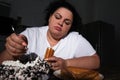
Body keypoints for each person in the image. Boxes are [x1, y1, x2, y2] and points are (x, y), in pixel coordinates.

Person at [0, 0, 100, 73]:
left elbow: (96, 61)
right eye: (57, 17)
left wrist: (65, 63)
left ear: (70, 28)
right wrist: (11, 51)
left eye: (67, 22)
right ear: (50, 17)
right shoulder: (31, 34)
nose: (61, 23)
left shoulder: (74, 39)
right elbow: (2, 61)